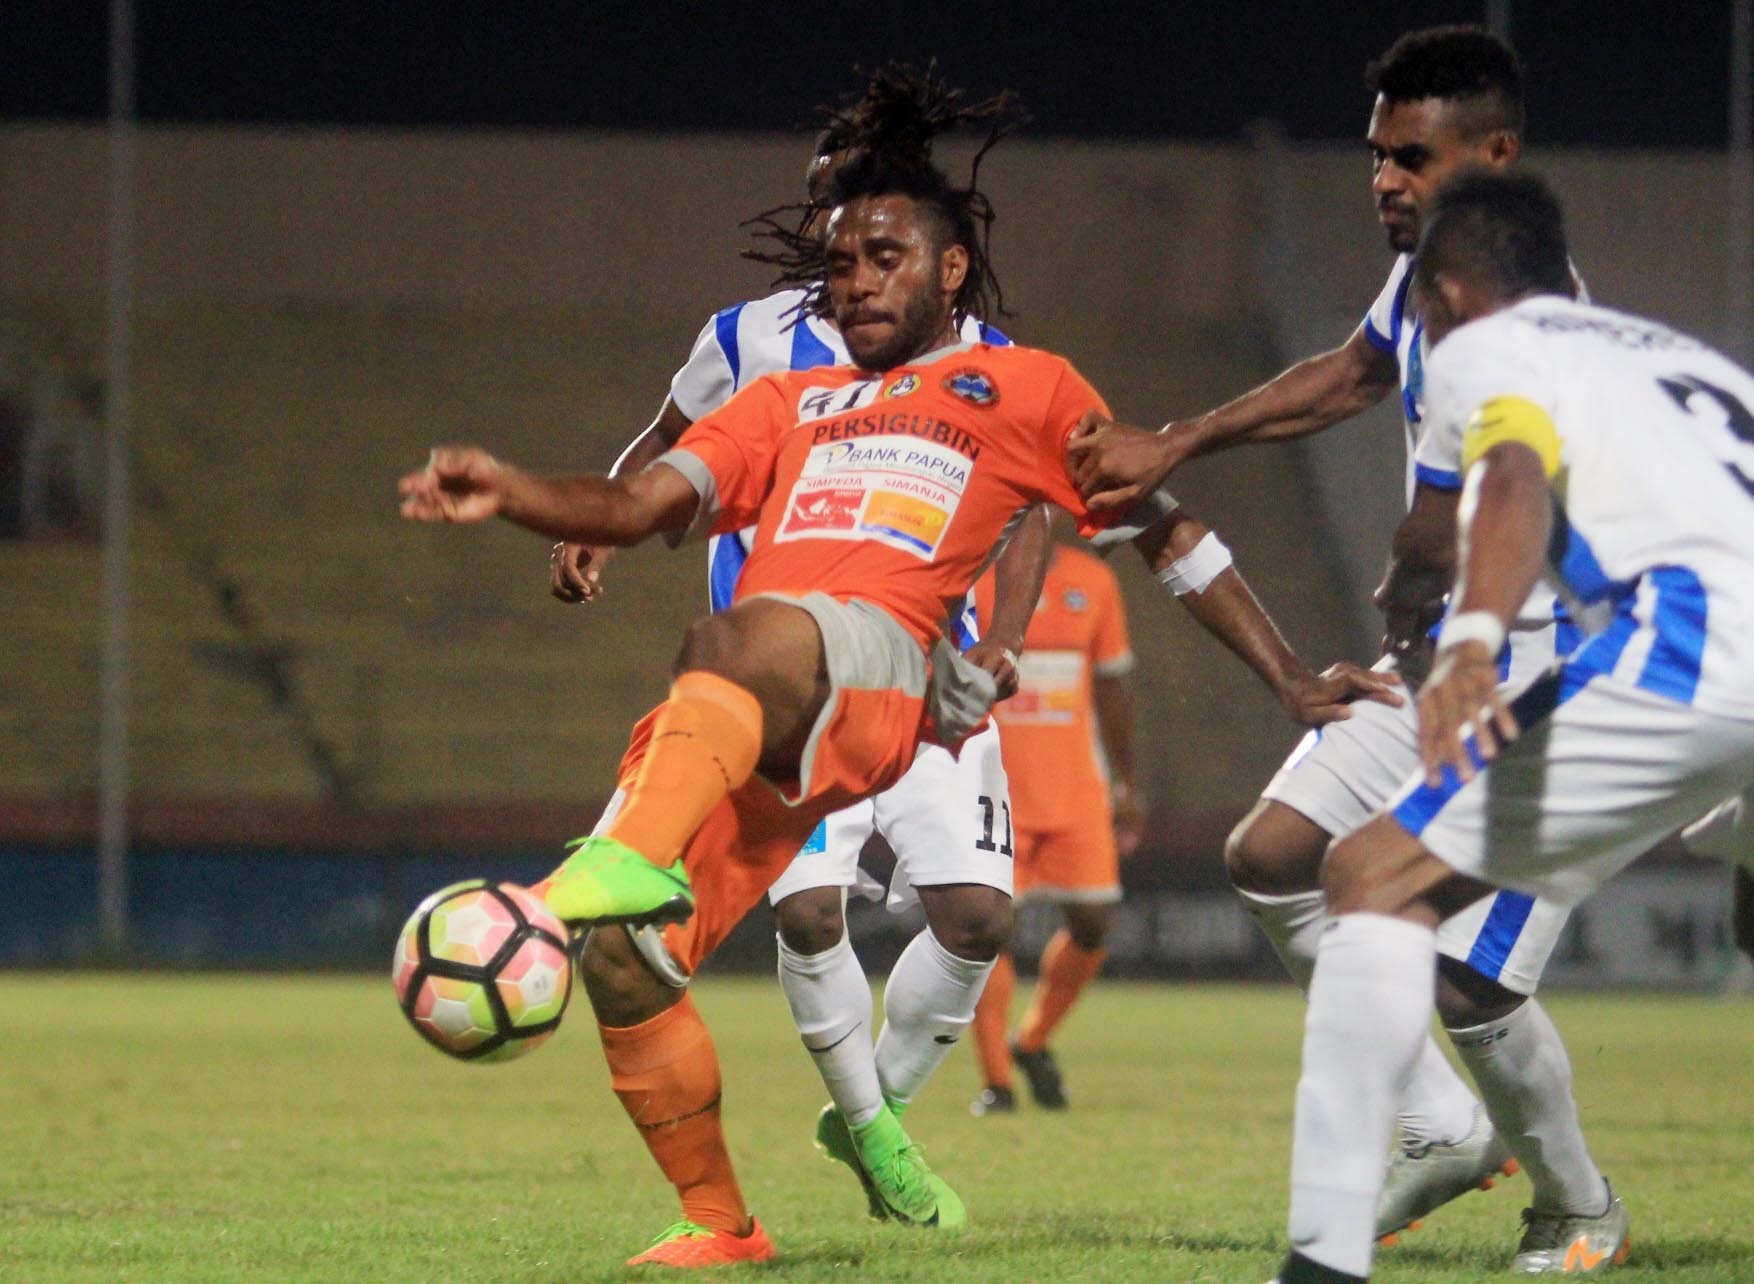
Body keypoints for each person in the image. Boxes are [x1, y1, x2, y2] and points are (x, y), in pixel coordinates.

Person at [400, 73, 1390, 1270]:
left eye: (885, 257)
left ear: (951, 270)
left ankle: (608, 884)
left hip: (885, 676)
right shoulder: (782, 401)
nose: (856, 280)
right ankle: (723, 1223)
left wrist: (1286, 677)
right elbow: (635, 500)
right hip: (761, 710)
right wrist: (512, 494)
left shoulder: (1021, 386)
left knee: (752, 643)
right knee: (624, 964)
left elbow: (1165, 529)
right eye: (842, 263)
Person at [1271, 166, 1754, 1284]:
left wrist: (1468, 641)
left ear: (1448, 291)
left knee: (1370, 876)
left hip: (1701, 644)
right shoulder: (1686, 359)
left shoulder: (1476, 346)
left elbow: (1511, 477)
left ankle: (1317, 1267)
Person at [1066, 25, 1615, 1261]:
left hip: (1553, 680)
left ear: (1496, 154)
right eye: (1376, 156)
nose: (1383, 181)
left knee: (1470, 987)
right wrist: (1180, 440)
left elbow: (1431, 532)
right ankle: (1437, 1130)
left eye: (1411, 158)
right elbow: (1353, 374)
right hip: (1446, 667)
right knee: (1271, 856)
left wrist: (1412, 602)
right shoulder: (1428, 276)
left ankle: (1580, 1202)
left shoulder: (1513, 308)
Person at [548, 73, 1048, 1233]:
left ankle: (873, 1111)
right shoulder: (750, 339)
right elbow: (669, 439)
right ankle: (872, 1137)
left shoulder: (980, 349)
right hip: (785, 680)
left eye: (870, 221)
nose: (844, 245)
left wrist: (1007, 639)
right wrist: (597, 521)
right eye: (830, 220)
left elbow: (1030, 506)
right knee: (811, 914)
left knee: (977, 917)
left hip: (930, 669)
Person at [968, 534, 1142, 1114]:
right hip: (996, 789)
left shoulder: (1093, 581)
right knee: (990, 931)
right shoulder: (973, 575)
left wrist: (1127, 784)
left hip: (1075, 790)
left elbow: (1113, 687)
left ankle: (1032, 1039)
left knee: (1093, 922)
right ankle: (996, 1083)